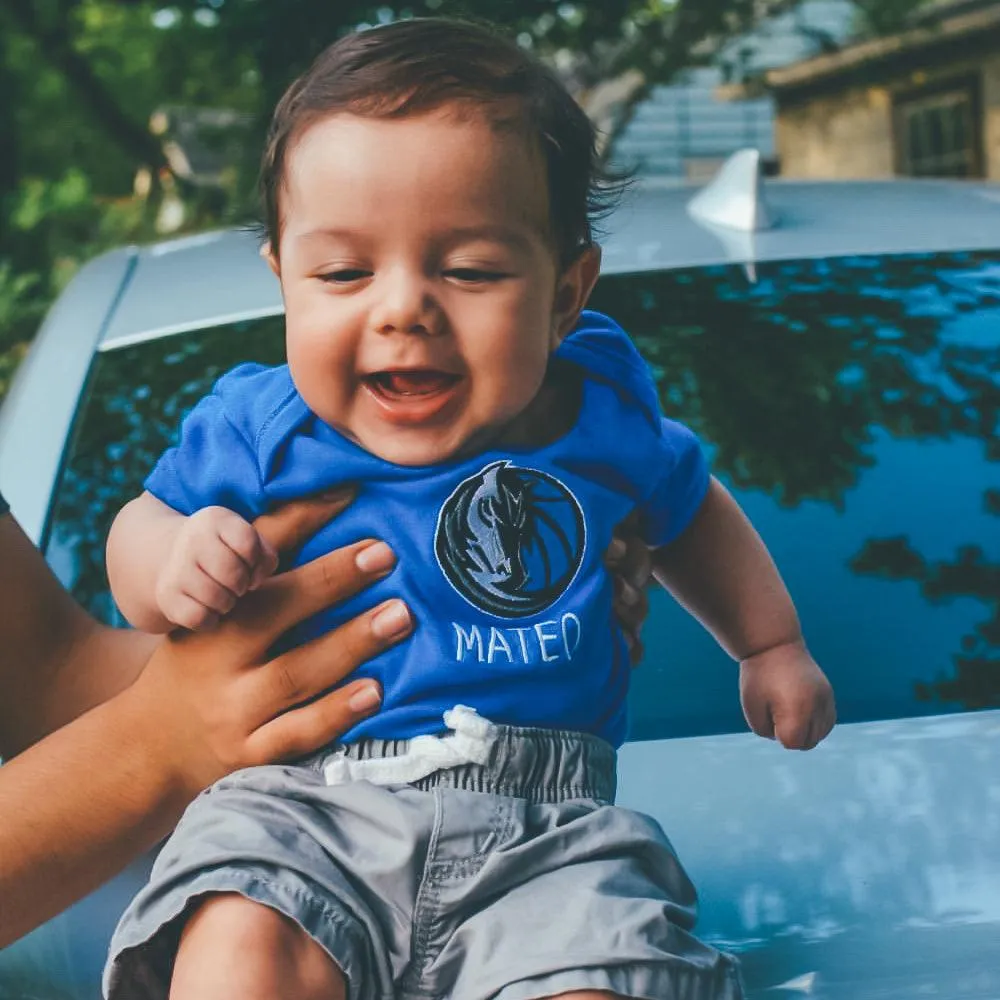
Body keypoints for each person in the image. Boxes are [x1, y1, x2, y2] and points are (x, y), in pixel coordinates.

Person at [101, 18, 836, 1000]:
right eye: (344, 273)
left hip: (547, 831)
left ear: (566, 292)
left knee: (599, 976)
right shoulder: (256, 428)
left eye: (472, 269)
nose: (403, 307)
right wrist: (170, 559)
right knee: (239, 945)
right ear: (283, 278)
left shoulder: (599, 414)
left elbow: (687, 506)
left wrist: (768, 643)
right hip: (299, 807)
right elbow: (136, 531)